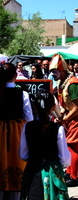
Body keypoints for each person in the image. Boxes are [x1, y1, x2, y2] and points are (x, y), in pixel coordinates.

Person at [0, 63, 33, 200]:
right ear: (15, 76)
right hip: (16, 133)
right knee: (16, 162)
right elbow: (29, 117)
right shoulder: (22, 94)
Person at [19, 91, 71, 200]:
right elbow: (65, 159)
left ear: (34, 106)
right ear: (53, 107)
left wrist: (35, 158)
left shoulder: (27, 127)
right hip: (52, 173)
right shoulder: (58, 129)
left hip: (33, 171)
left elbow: (23, 154)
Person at [49, 54, 78, 187]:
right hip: (68, 119)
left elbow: (77, 107)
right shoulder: (62, 82)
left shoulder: (72, 84)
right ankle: (70, 171)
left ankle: (74, 176)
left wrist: (64, 119)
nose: (53, 74)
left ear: (61, 70)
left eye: (54, 71)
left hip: (75, 120)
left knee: (72, 146)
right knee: (68, 146)